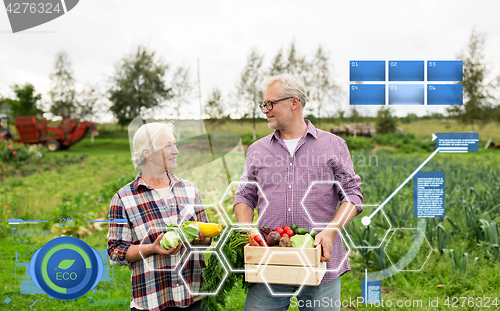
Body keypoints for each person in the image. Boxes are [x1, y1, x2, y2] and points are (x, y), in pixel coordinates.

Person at [233, 74, 363, 311]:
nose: (265, 110)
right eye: (264, 104)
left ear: (294, 102)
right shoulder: (257, 150)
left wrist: (331, 231)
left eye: (270, 104)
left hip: (319, 261)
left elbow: (353, 195)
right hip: (269, 262)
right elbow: (244, 195)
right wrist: (246, 229)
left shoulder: (334, 145)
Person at [107, 122, 210, 311]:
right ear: (147, 153)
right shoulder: (124, 198)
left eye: (175, 144)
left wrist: (202, 239)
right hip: (152, 300)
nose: (176, 151)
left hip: (193, 297)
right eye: (168, 146)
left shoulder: (189, 189)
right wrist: (151, 248)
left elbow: (206, 238)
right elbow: (115, 253)